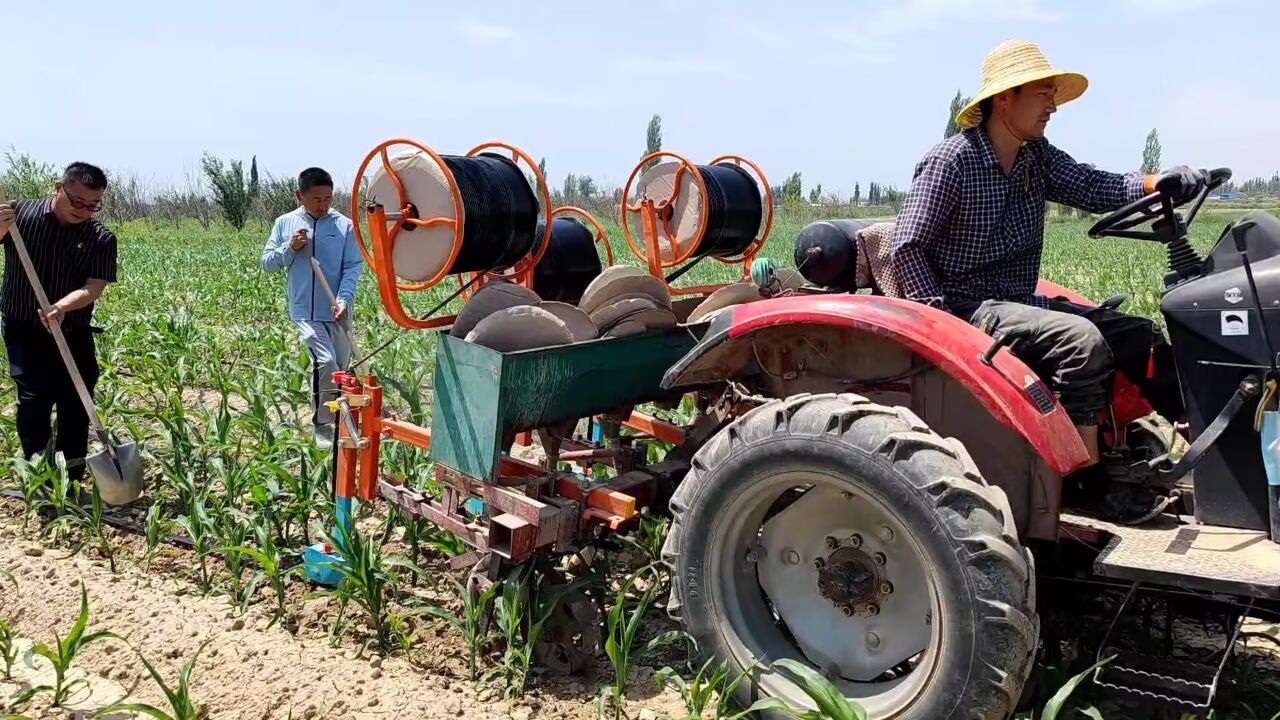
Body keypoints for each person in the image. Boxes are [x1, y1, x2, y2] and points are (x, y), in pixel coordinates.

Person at [889, 39, 1207, 522]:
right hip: (965, 307)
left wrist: (1155, 182)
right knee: (1080, 341)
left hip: (1015, 301)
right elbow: (907, 246)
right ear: (1004, 99)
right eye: (1043, 94)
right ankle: (1087, 482)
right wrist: (942, 326)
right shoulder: (952, 162)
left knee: (1139, 336)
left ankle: (1209, 453)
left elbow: (1092, 185)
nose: (1052, 106)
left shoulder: (1035, 157)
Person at [0, 162, 118, 485]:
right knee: (33, 402)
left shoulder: (101, 238)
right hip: (24, 327)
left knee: (76, 403)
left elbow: (94, 286)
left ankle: (72, 478)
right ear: (58, 188)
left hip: (73, 329)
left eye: (92, 205)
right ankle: (40, 476)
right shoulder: (19, 216)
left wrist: (62, 306)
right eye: (77, 201)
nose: (83, 210)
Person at [261, 168, 363, 449]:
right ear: (300, 195)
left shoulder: (344, 226)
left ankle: (343, 417)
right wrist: (290, 248)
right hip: (305, 310)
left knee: (340, 368)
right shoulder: (285, 223)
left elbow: (353, 266)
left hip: (337, 309)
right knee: (326, 362)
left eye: (328, 199)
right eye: (316, 199)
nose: (323, 204)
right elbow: (267, 263)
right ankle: (323, 426)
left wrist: (343, 299)